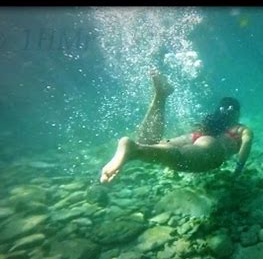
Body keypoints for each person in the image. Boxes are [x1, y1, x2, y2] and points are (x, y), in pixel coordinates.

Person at [100, 69, 254, 183]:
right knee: (180, 159)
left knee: (147, 143)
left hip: (195, 137)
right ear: (237, 113)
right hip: (213, 147)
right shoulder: (241, 129)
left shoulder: (210, 123)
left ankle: (160, 96)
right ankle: (133, 150)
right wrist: (238, 169)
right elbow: (245, 145)